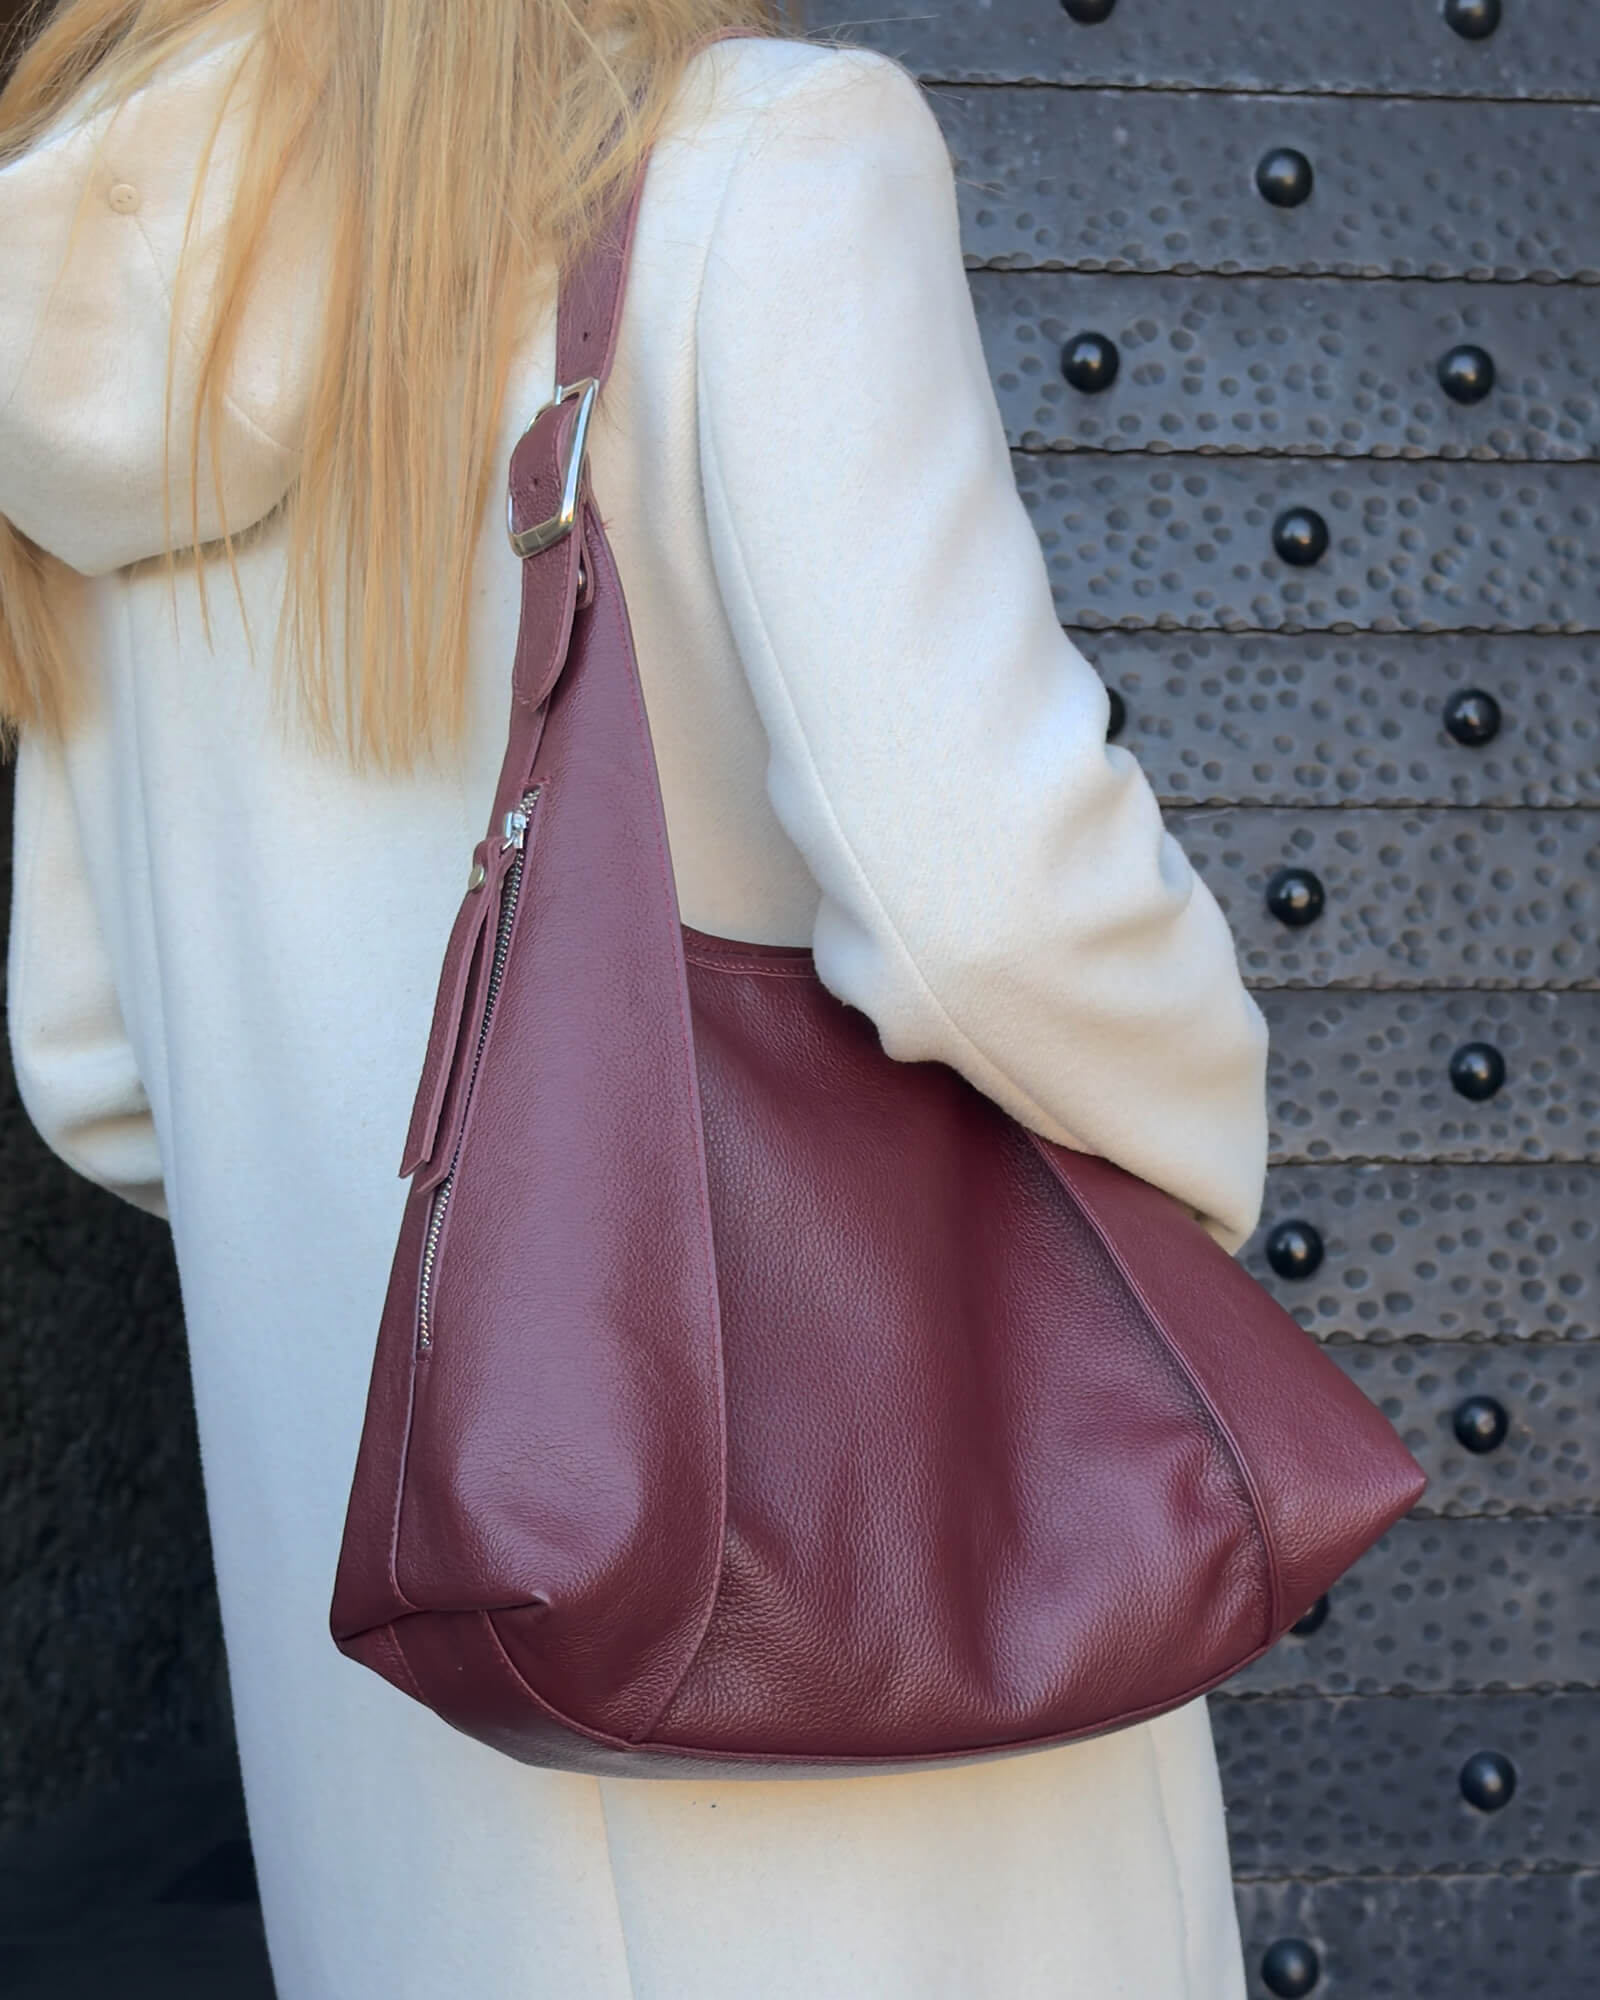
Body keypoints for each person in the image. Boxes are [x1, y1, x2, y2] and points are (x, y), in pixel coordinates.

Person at [0, 2, 1271, 1993]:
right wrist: (1177, 1207)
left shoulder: (68, 288)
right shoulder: (758, 165)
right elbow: (993, 915)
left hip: (418, 1737)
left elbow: (91, 1063)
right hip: (847, 1636)